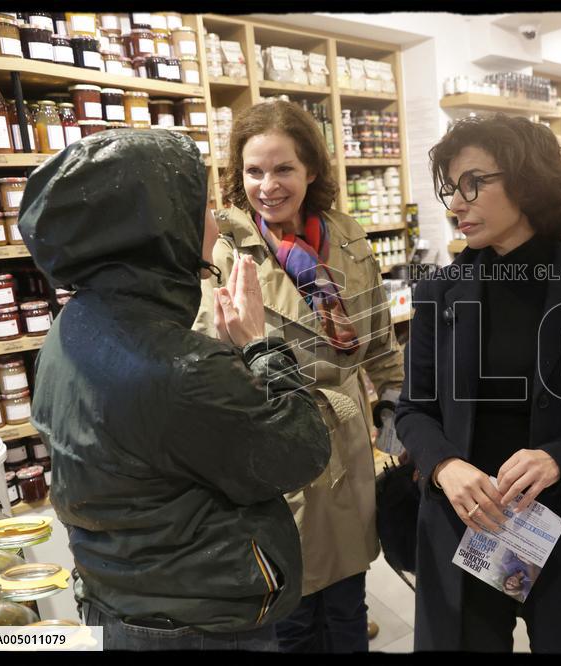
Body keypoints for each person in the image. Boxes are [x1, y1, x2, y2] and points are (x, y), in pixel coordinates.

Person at [18, 129, 332, 650]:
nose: (215, 220)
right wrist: (260, 347)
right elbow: (300, 450)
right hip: (200, 621)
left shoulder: (75, 322)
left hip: (119, 593)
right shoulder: (181, 366)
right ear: (155, 228)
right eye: (203, 205)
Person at [395, 114, 561, 652]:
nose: (456, 205)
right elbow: (412, 410)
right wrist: (445, 465)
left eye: (473, 184)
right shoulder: (439, 293)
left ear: (526, 181)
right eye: (451, 188)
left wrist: (560, 457)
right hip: (463, 521)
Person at [193, 100, 405, 653]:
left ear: (311, 168)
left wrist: (395, 405)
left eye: (283, 168)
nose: (268, 185)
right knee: (292, 611)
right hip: (276, 444)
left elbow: (378, 335)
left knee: (349, 599)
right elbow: (206, 358)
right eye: (254, 171)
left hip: (349, 439)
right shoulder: (227, 250)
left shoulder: (347, 234)